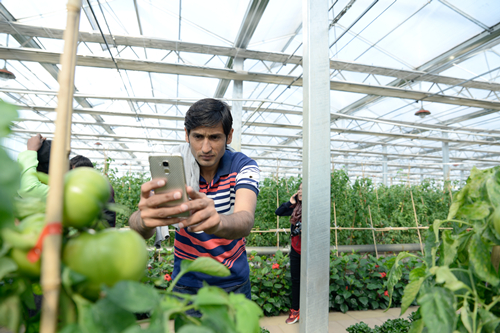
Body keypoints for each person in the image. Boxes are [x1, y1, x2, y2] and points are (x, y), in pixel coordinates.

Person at [129, 98, 260, 304]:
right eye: (198, 137)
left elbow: (245, 219)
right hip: (187, 284)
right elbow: (141, 227)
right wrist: (143, 220)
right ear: (186, 135)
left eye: (215, 137)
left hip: (232, 283)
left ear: (229, 136)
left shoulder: (242, 166)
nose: (205, 148)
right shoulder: (175, 168)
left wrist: (218, 222)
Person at [17, 135, 116, 227]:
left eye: (36, 173)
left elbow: (28, 188)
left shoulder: (71, 192)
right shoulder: (84, 186)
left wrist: (31, 151)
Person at [275, 183, 302, 325]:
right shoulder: (295, 208)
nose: (301, 191)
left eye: (304, 189)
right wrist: (290, 202)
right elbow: (278, 212)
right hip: (296, 249)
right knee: (296, 280)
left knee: (312, 279)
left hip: (311, 251)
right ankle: (295, 310)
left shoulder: (315, 208)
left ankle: (310, 308)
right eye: (299, 189)